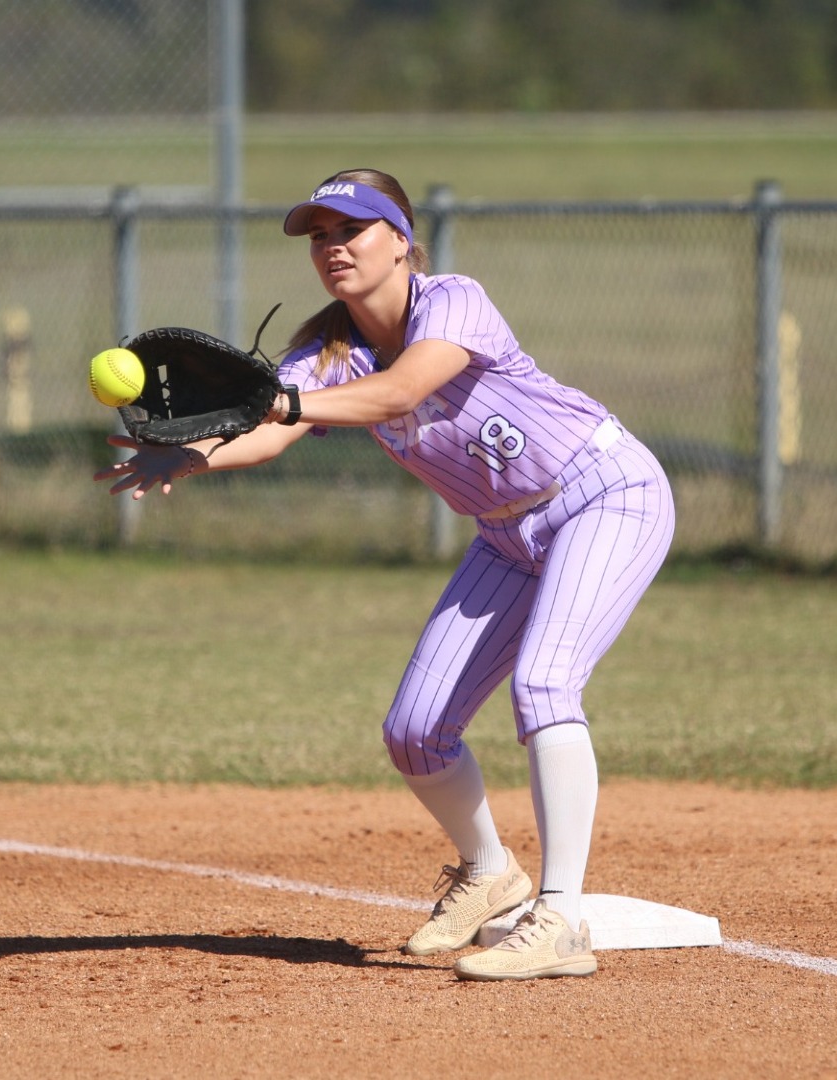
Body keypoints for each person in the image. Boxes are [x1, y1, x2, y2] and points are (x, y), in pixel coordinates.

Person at [97, 168, 675, 981]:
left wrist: (284, 407)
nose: (333, 248)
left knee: (545, 683)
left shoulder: (454, 300)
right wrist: (191, 455)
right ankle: (487, 872)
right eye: (320, 236)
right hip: (506, 536)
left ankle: (561, 919)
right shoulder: (323, 353)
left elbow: (398, 390)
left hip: (604, 494)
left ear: (401, 241)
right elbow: (268, 432)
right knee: (414, 731)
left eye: (352, 230)